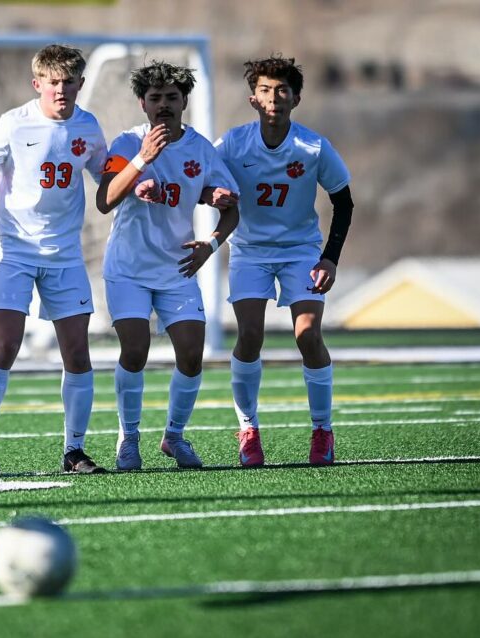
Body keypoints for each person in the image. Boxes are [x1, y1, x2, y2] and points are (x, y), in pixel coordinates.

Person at [0, 44, 109, 477]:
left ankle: (74, 451)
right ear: (37, 83)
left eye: (69, 82)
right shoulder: (12, 124)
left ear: (80, 83)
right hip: (14, 251)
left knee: (77, 353)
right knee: (4, 346)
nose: (61, 90)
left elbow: (105, 176)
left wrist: (138, 182)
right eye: (53, 82)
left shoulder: (88, 126)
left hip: (65, 254)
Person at [96, 61, 239, 471]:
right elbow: (105, 200)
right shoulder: (127, 143)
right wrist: (141, 161)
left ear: (184, 103)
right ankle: (129, 439)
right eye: (155, 98)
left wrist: (210, 243)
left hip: (178, 268)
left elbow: (231, 210)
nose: (163, 105)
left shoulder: (200, 149)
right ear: (142, 103)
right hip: (128, 267)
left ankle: (173, 437)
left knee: (192, 355)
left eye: (171, 98)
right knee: (136, 349)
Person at [214, 55, 353, 467]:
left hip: (300, 252)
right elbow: (205, 180)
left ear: (295, 98)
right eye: (264, 90)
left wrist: (329, 259)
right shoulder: (232, 144)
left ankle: (322, 430)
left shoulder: (312, 146)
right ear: (253, 100)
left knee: (307, 335)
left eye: (281, 91)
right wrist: (212, 196)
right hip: (250, 252)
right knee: (250, 337)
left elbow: (343, 201)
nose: (273, 98)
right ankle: (248, 429)